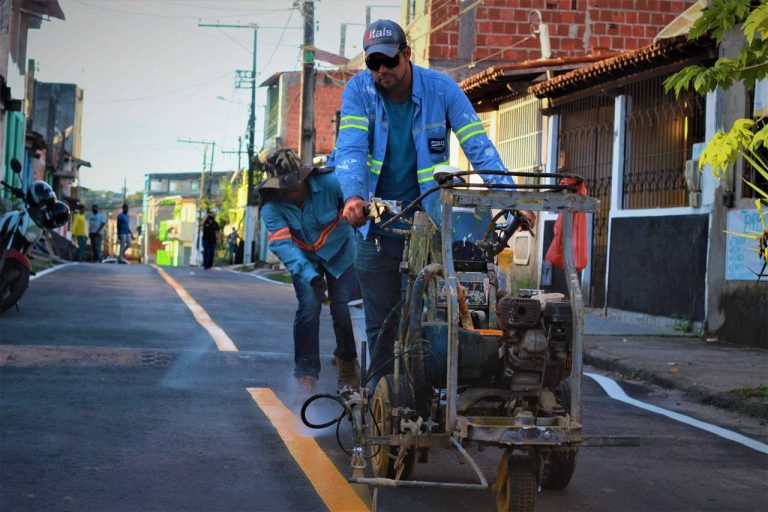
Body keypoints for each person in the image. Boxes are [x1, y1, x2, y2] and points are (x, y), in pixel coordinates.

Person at [333, 20, 536, 375]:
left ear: (407, 54)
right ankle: (382, 405)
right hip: (376, 226)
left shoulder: (442, 89)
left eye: (389, 61)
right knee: (381, 326)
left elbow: (478, 145)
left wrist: (510, 198)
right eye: (373, 63)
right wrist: (353, 198)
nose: (381, 70)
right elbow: (349, 149)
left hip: (428, 224)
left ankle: (427, 397)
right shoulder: (358, 91)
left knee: (436, 319)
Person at [258, 147, 359, 397]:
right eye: (285, 187)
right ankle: (306, 374)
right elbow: (283, 246)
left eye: (296, 184)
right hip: (305, 262)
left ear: (304, 176)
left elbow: (355, 207)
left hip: (342, 253)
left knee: (344, 310)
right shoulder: (271, 209)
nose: (292, 191)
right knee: (309, 309)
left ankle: (347, 364)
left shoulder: (331, 183)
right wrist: (311, 277)